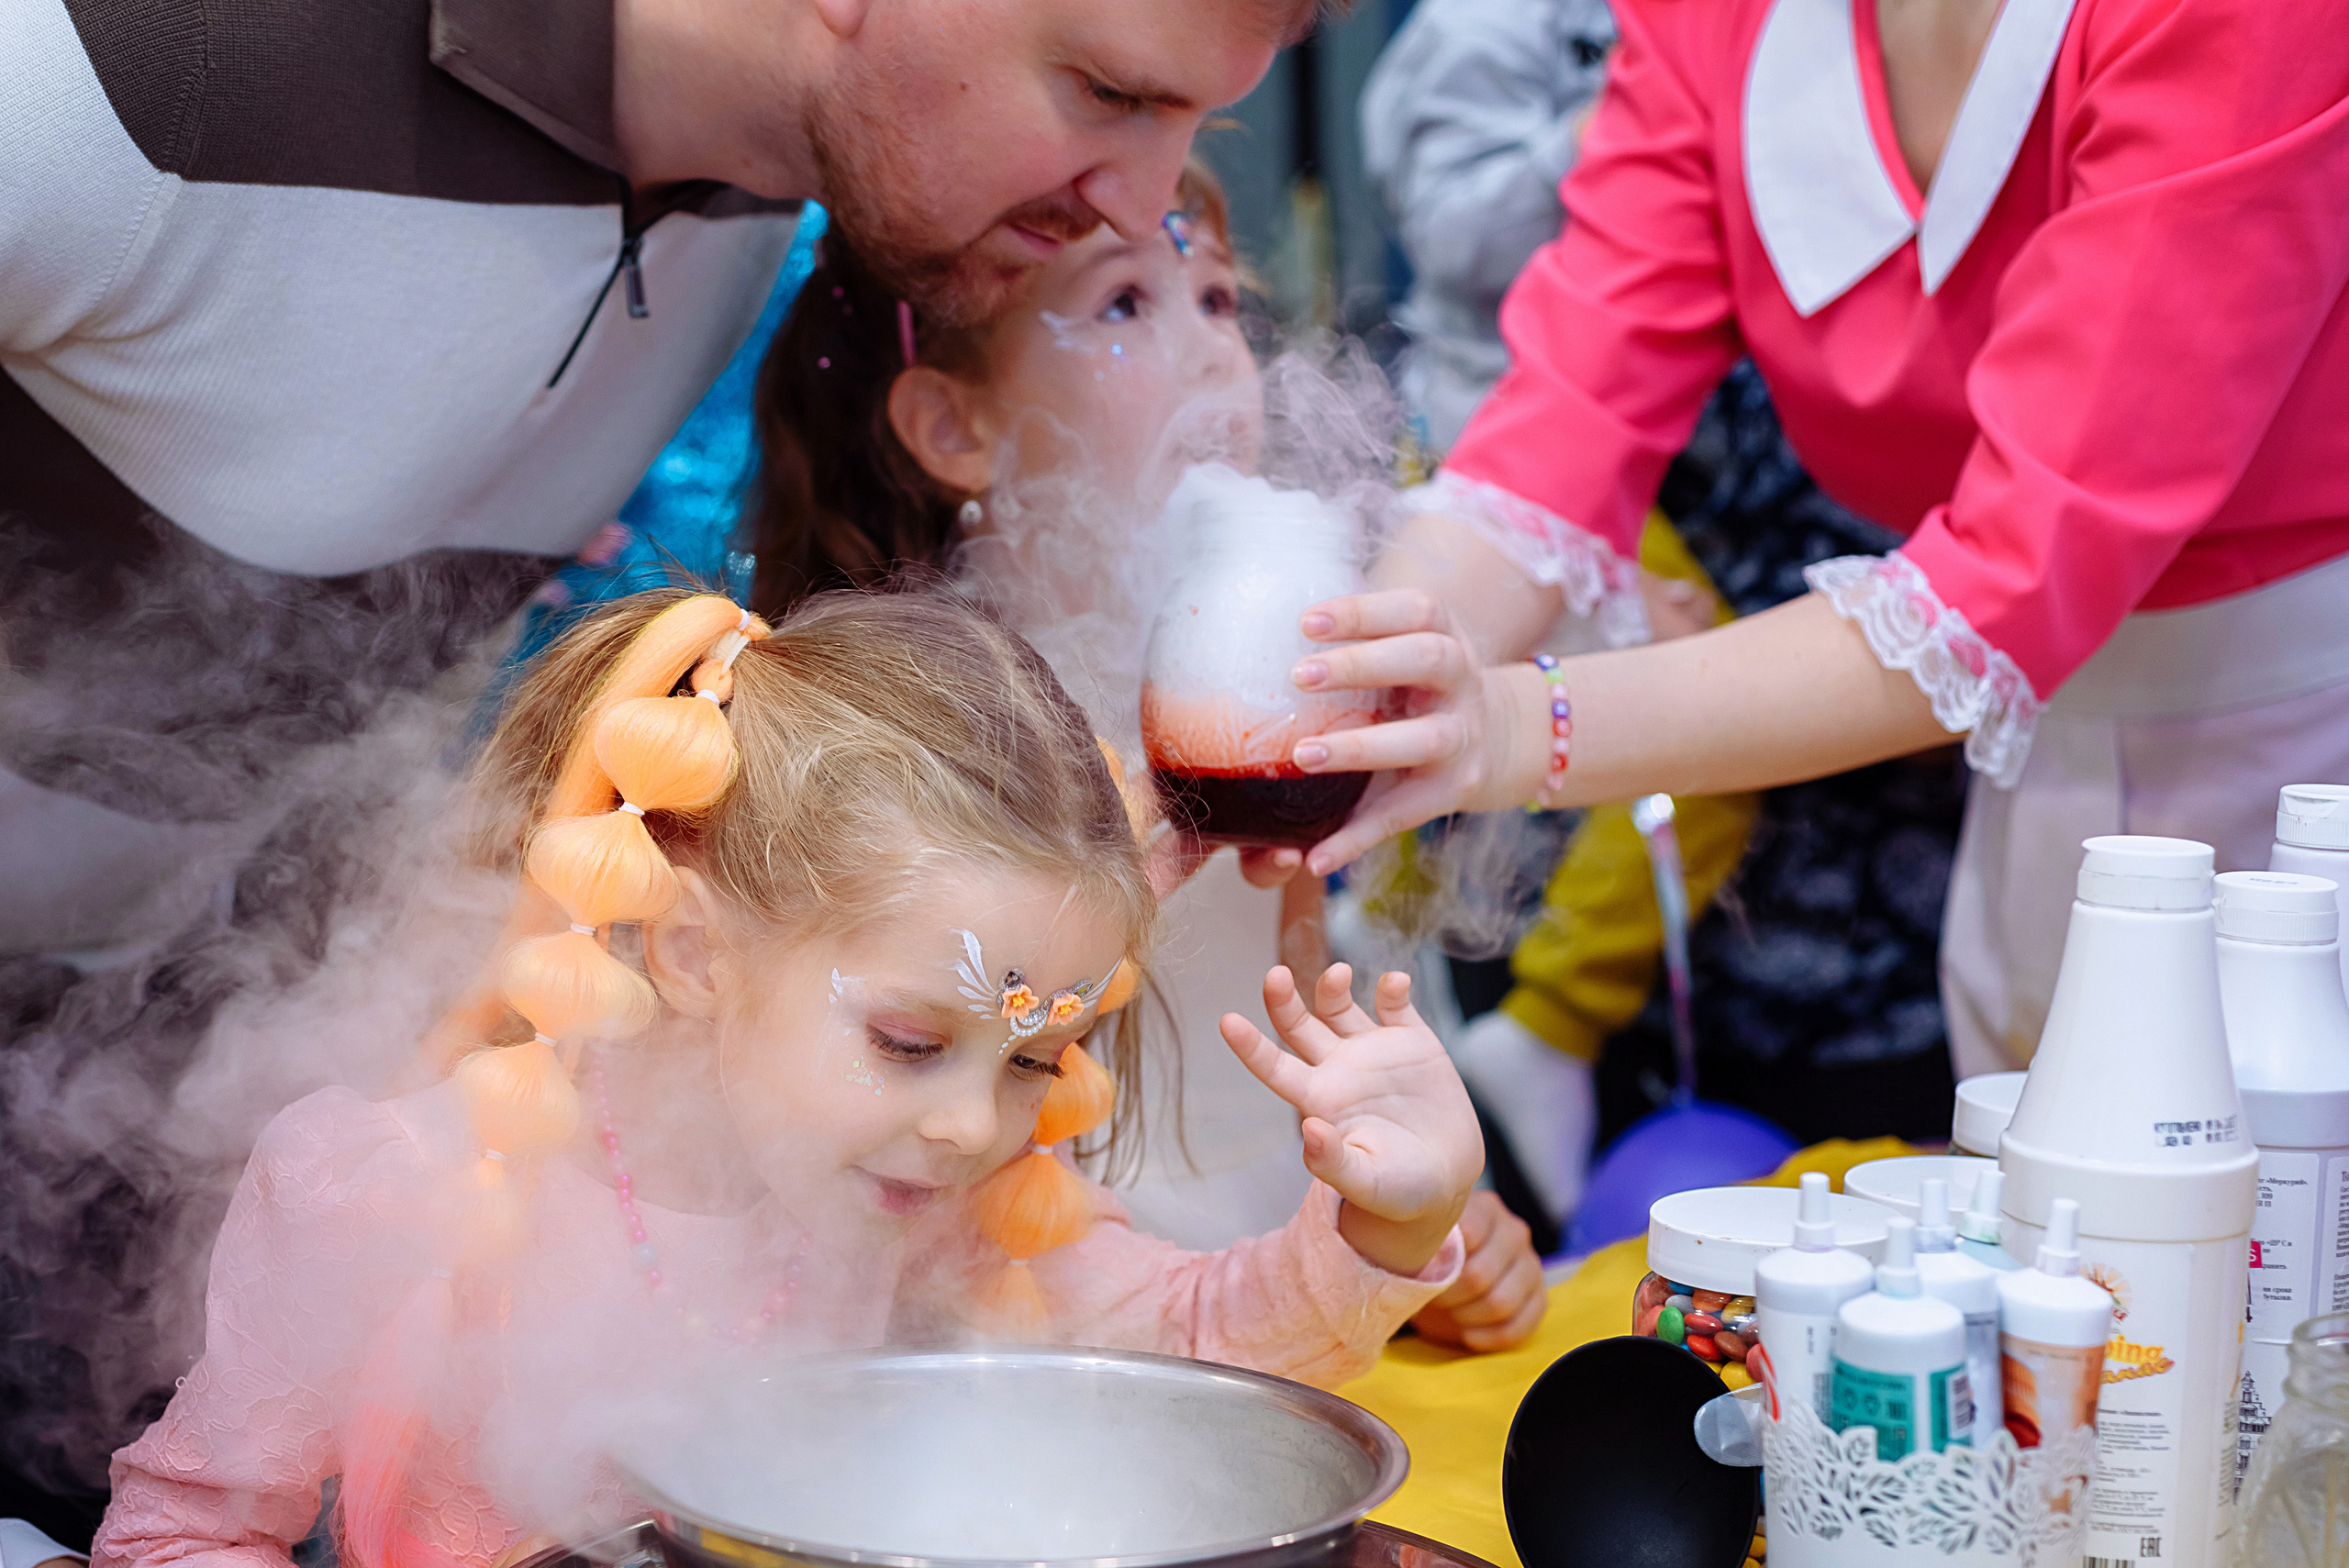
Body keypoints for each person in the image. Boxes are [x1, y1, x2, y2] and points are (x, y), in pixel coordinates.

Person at [1, 0, 1306, 1532]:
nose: (1146, 201)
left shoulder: (749, 219)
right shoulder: (111, 74)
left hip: (166, 1026)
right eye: (1104, 89)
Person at [89, 588, 1488, 1568]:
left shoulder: (941, 1208)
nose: (972, 1123)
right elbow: (179, 1536)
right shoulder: (397, 1193)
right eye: (907, 1042)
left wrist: (1394, 1220)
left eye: (1035, 1057)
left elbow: (1184, 1377)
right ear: (698, 953)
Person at [1284, 0, 2349, 1078]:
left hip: (2293, 744)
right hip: (2029, 757)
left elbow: (2015, 571)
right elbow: (1564, 418)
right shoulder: (1719, 20)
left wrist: (1513, 724)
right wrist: (1346, 687)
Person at [743, 168, 1545, 1345]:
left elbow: (1326, 996)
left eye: (1218, 299)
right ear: (956, 426)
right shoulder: (920, 746)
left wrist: (1416, 1215)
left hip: (1269, 1263)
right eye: (1123, 303)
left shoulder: (1256, 695)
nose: (1214, 349)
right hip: (1036, 1293)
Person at [1360, 0, 1617, 450]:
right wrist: (1594, 135)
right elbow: (1450, 241)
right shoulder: (1485, 20)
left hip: (1675, 419)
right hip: (1500, 418)